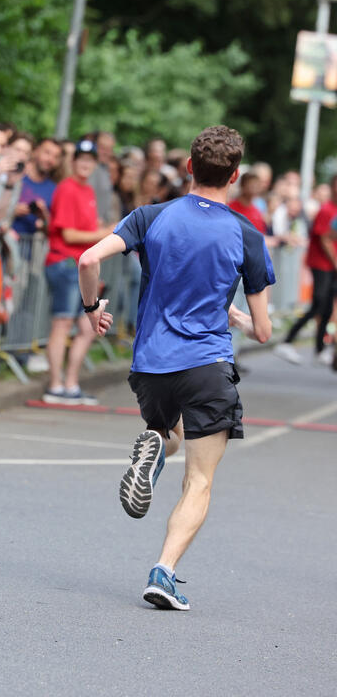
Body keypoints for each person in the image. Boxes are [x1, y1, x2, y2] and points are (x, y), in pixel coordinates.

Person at [78, 125, 273, 611]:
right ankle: (163, 572)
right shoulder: (246, 234)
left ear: (189, 166)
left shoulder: (151, 216)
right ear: (234, 176)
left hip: (151, 361)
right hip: (207, 362)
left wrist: (92, 307)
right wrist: (235, 315)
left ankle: (157, 446)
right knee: (201, 479)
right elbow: (264, 331)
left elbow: (87, 258)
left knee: (169, 427)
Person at [42, 139, 112, 405]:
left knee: (88, 325)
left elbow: (86, 231)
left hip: (82, 267)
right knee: (62, 323)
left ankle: (70, 384)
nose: (85, 163)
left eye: (90, 159)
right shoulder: (67, 188)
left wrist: (102, 232)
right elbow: (69, 234)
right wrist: (105, 233)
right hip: (65, 262)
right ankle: (55, 385)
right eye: (81, 158)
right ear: (73, 162)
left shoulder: (87, 190)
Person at [276, 173, 337, 366]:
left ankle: (320, 348)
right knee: (318, 304)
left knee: (326, 307)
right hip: (321, 263)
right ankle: (287, 341)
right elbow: (325, 238)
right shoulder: (327, 209)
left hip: (330, 265)